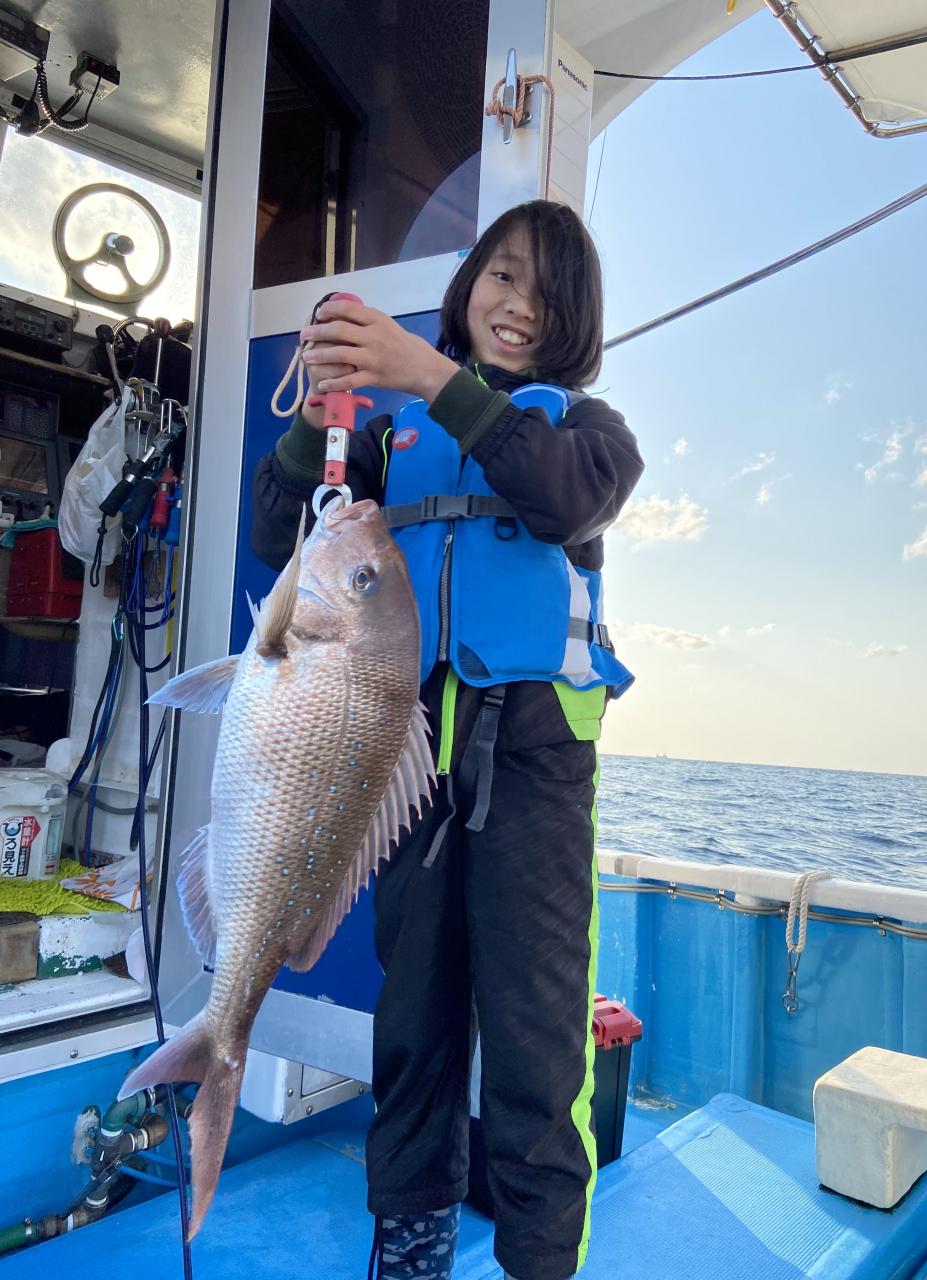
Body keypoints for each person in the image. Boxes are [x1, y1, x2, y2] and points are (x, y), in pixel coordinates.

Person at [252, 200, 644, 1280]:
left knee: (536, 1042)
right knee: (413, 1027)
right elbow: (273, 527)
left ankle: (538, 1261)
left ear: (576, 321)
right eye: (505, 276)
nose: (520, 305)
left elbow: (559, 496)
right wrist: (318, 413)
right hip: (407, 759)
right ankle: (409, 1254)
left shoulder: (590, 434)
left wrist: (425, 372)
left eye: (549, 292)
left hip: (536, 767)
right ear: (471, 278)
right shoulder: (388, 440)